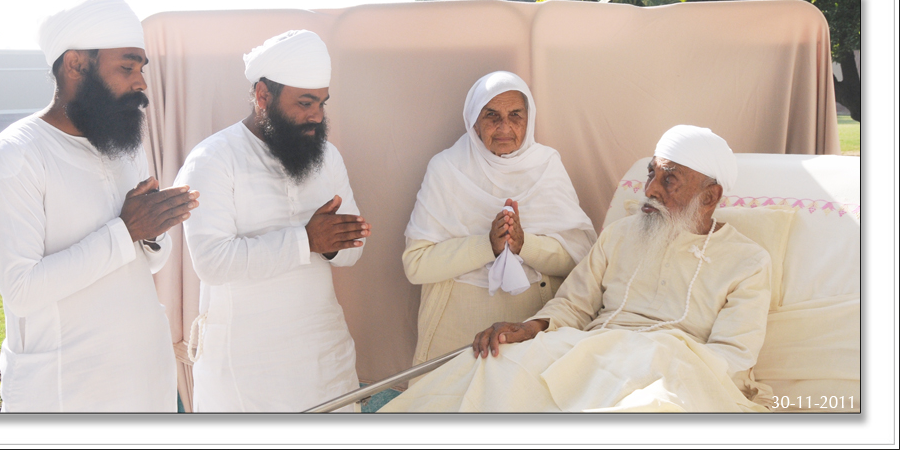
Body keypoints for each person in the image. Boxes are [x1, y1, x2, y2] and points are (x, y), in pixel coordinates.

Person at [382, 125, 774, 412]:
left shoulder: (748, 262)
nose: (650, 189)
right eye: (651, 173)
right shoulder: (621, 234)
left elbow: (733, 356)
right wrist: (531, 327)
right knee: (491, 367)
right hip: (589, 353)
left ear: (710, 197)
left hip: (668, 370)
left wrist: (659, 364)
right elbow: (573, 305)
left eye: (669, 180)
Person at [0, 0, 199, 412]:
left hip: (145, 381)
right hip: (67, 392)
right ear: (76, 64)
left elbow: (146, 263)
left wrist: (152, 232)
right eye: (127, 67)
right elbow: (22, 291)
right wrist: (126, 231)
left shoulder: (123, 145)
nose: (141, 83)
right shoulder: (15, 155)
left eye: (142, 68)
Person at [174, 30, 370, 412]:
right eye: (305, 103)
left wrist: (334, 246)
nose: (317, 116)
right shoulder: (213, 159)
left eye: (322, 103)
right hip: (248, 369)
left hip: (324, 356)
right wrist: (306, 241)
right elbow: (212, 262)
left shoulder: (327, 157)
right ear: (263, 95)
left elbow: (353, 250)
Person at [403, 71, 596, 377]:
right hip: (454, 331)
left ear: (529, 119)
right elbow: (416, 265)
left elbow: (581, 263)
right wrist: (487, 245)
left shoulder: (547, 166)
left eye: (515, 115)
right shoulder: (447, 169)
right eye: (491, 115)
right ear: (474, 121)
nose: (505, 127)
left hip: (530, 330)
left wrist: (524, 244)